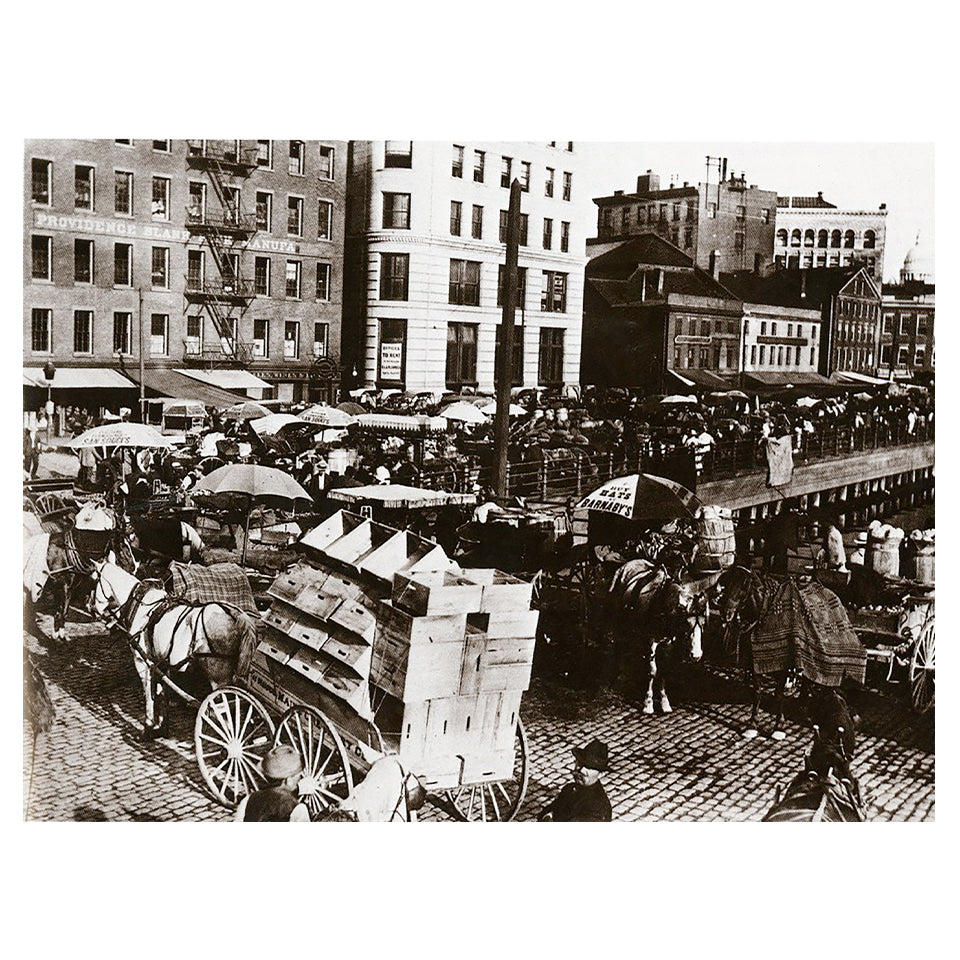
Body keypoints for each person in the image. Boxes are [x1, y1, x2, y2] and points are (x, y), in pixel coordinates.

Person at [538, 739, 612, 822]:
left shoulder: (598, 807)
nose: (582, 770)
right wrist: (548, 815)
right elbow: (546, 811)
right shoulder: (569, 790)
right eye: (580, 764)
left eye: (589, 768)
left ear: (601, 774)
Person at [233, 745, 310, 822]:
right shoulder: (297, 809)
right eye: (299, 775)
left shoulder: (248, 800)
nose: (300, 779)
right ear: (289, 779)